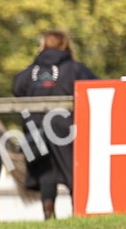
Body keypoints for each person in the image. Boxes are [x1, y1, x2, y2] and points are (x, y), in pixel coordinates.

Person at [12, 31, 98, 219]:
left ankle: (48, 214)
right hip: (65, 128)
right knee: (72, 169)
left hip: (34, 127)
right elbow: (96, 86)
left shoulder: (32, 71)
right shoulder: (74, 69)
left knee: (46, 172)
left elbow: (17, 86)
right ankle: (79, 211)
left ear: (43, 46)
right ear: (65, 45)